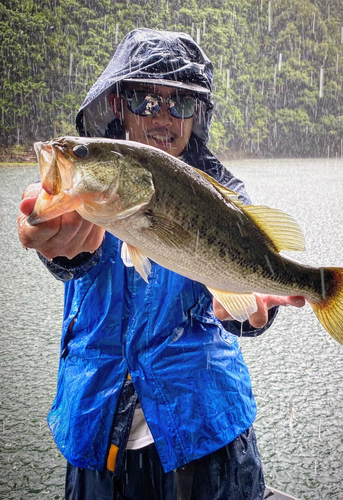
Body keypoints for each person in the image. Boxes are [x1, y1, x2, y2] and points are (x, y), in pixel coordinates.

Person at [18, 28, 305, 500]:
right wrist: (53, 243)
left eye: (181, 104)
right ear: (117, 103)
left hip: (206, 434)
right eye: (146, 100)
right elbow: (68, 252)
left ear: (199, 113)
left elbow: (245, 295)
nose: (165, 117)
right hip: (95, 432)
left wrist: (255, 311)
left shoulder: (224, 194)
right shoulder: (92, 182)